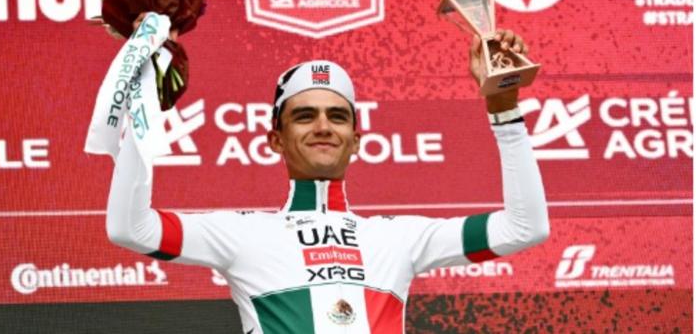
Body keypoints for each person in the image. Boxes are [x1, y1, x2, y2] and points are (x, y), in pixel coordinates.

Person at [105, 29, 549, 334]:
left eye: (337, 116)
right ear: (275, 139)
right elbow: (131, 228)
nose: (323, 127)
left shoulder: (399, 237)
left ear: (356, 140)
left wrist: (504, 109)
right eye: (304, 116)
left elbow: (524, 228)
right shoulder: (241, 233)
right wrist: (144, 112)